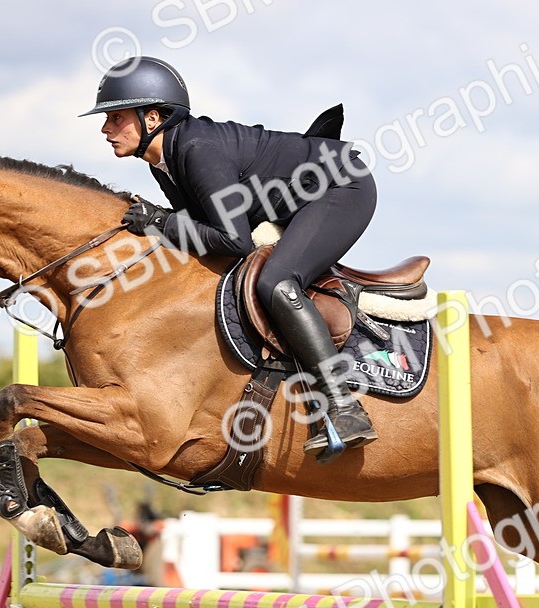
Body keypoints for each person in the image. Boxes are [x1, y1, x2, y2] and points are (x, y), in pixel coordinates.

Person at [82, 56, 378, 461]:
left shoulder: (197, 150)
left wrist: (159, 223)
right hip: (293, 199)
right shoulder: (163, 161)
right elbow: (200, 229)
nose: (105, 128)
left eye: (116, 117)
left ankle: (344, 408)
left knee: (276, 283)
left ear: (152, 117)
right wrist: (162, 225)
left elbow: (232, 239)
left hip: (341, 187)